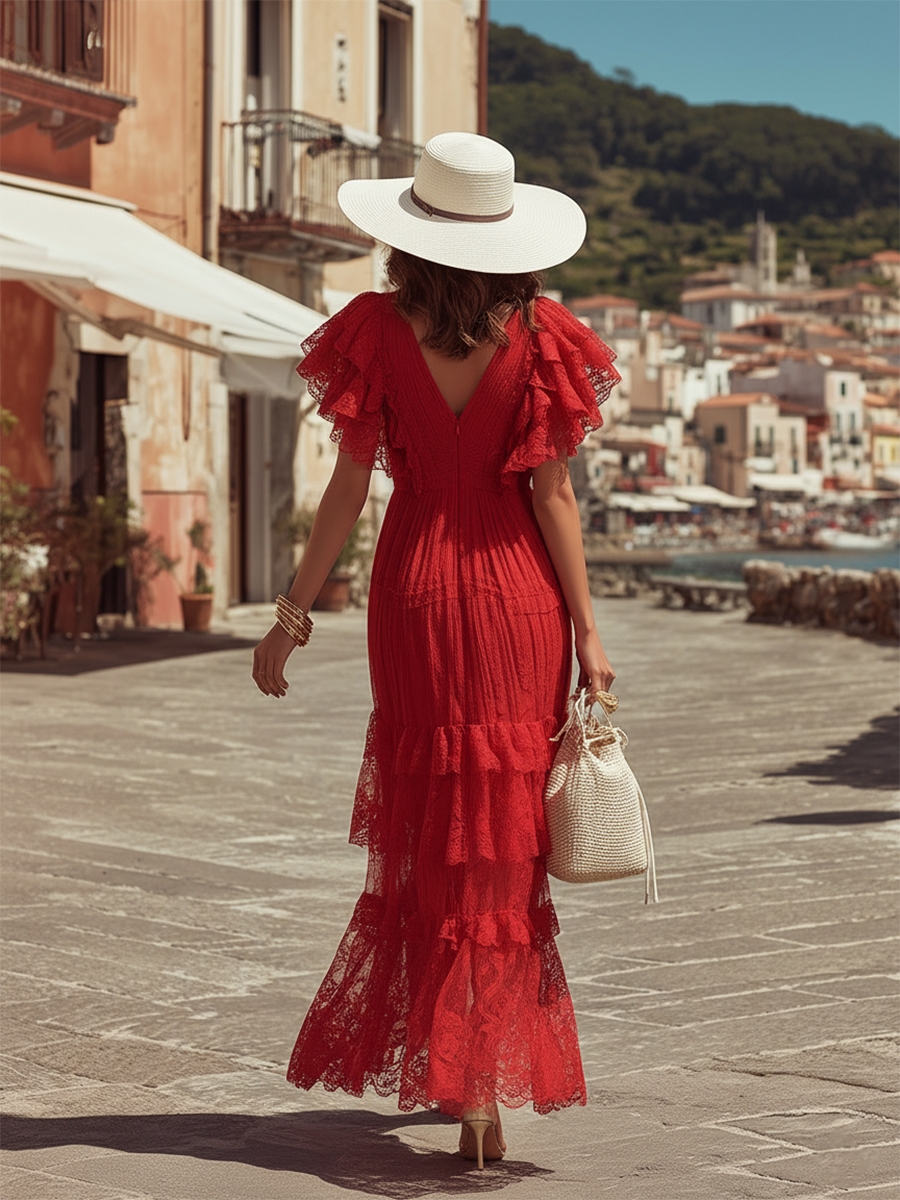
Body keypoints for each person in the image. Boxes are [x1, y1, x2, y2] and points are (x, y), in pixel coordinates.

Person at [252, 132, 619, 1169]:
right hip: (518, 602)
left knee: (432, 838)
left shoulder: (374, 330)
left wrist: (290, 615)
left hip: (413, 594)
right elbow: (553, 496)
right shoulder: (541, 335)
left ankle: (464, 1074)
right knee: (499, 844)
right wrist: (591, 634)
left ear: (410, 236)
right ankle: (479, 1090)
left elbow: (345, 488)